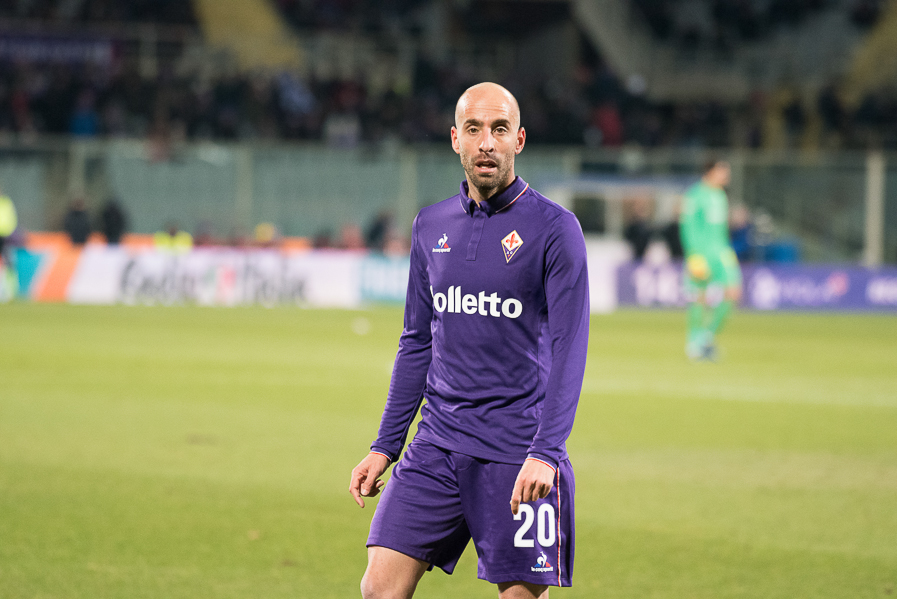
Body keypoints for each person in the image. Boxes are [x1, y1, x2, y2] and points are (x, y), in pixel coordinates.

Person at [349, 82, 590, 599]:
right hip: (437, 443)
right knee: (379, 589)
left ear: (519, 140)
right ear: (454, 139)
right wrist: (385, 446)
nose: (486, 142)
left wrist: (545, 452)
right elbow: (416, 342)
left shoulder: (555, 229)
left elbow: (571, 349)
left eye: (499, 129)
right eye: (475, 129)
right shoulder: (430, 225)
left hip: (516, 449)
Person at [679, 158, 742, 360]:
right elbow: (687, 226)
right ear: (711, 171)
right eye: (723, 171)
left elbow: (720, 230)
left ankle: (707, 337)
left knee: (733, 292)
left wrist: (727, 250)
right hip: (701, 253)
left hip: (721, 252)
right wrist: (693, 255)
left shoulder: (721, 196)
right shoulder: (695, 195)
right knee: (699, 297)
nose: (727, 176)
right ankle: (694, 343)